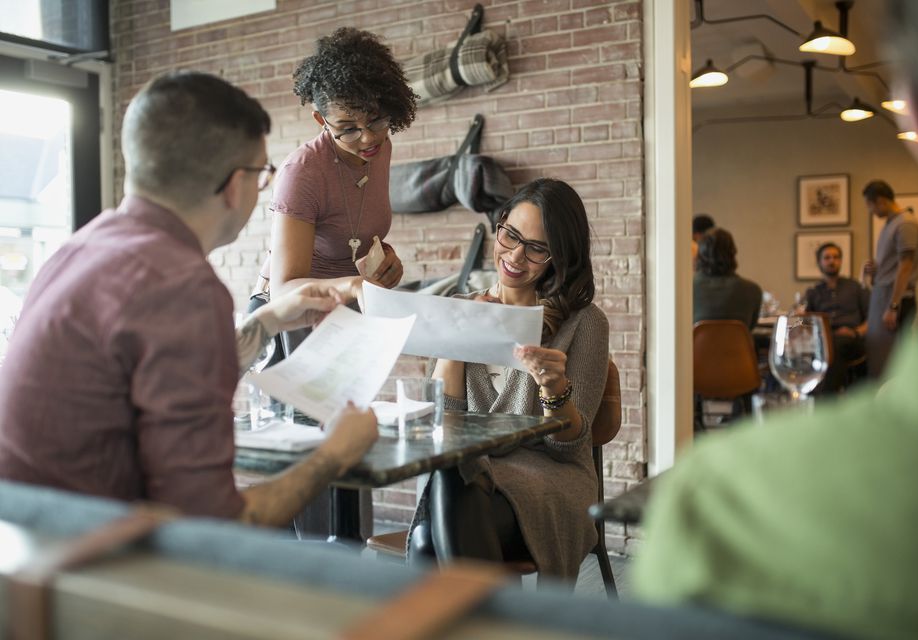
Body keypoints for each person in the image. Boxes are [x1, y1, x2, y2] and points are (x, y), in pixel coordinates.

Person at [632, 1, 918, 636]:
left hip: (706, 382)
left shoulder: (718, 507)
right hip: (753, 377)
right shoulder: (753, 290)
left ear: (915, 111)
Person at [0, 71, 378, 526]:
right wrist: (336, 453)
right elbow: (215, 525)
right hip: (83, 562)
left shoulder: (81, 248)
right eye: (263, 175)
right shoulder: (182, 285)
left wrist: (270, 320)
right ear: (236, 185)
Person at [408, 178, 609, 581]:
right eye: (511, 235)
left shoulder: (584, 323)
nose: (515, 255)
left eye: (536, 248)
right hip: (470, 472)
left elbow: (569, 444)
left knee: (429, 535)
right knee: (451, 481)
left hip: (549, 476)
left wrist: (553, 388)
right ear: (499, 225)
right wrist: (457, 342)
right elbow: (446, 428)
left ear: (559, 257)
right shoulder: (461, 309)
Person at [268, 27, 417, 309]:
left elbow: (352, 231)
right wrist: (354, 284)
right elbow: (282, 289)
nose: (368, 137)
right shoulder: (302, 173)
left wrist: (385, 261)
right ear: (320, 120)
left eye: (376, 120)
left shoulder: (380, 149)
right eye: (347, 129)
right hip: (294, 317)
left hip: (347, 308)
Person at [860, 179, 918, 378]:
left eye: (870, 205)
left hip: (895, 299)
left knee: (889, 364)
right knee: (878, 357)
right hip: (883, 295)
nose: (871, 211)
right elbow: (894, 265)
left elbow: (905, 267)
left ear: (880, 201)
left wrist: (893, 306)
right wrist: (876, 269)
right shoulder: (891, 224)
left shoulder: (905, 224)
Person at [804, 242, 869, 393]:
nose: (832, 261)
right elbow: (806, 322)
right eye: (827, 258)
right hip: (823, 340)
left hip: (852, 339)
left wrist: (856, 332)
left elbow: (872, 317)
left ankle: (826, 400)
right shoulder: (813, 292)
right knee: (800, 348)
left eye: (836, 257)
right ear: (819, 262)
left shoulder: (855, 287)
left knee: (834, 345)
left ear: (840, 261)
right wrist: (800, 318)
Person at [693, 228, 763, 329]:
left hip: (697, 345)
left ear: (700, 256)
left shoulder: (688, 289)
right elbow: (749, 329)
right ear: (732, 253)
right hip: (738, 345)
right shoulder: (753, 290)